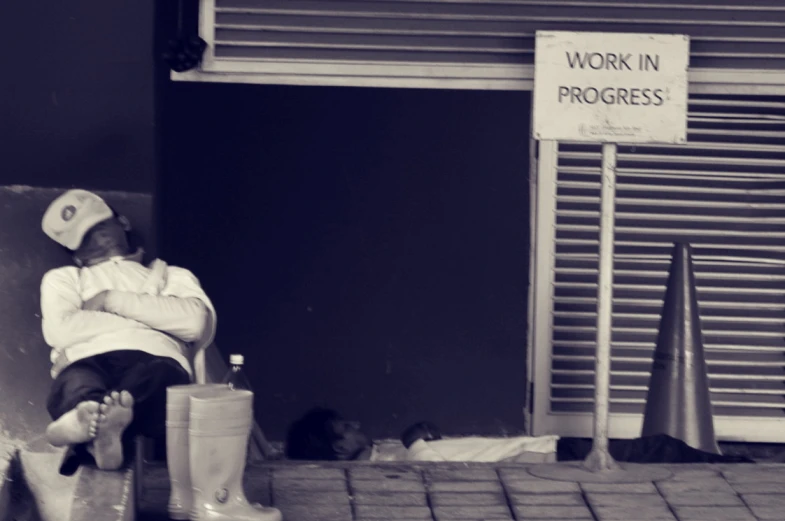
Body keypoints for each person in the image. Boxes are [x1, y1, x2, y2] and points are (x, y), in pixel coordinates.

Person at [40, 189, 216, 475]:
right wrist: (154, 320)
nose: (94, 236)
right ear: (74, 253)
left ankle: (93, 430)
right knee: (76, 381)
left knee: (160, 378)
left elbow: (195, 322)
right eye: (82, 236)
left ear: (123, 222)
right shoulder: (64, 279)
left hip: (154, 360)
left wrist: (109, 300)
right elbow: (61, 330)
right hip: (89, 358)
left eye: (99, 224)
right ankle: (91, 420)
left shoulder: (172, 275)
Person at [285, 407, 754, 464]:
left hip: (547, 449)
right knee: (660, 449)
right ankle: (742, 471)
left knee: (659, 451)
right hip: (550, 454)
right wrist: (417, 436)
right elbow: (424, 453)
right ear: (338, 448)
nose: (355, 424)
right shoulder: (404, 460)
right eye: (344, 427)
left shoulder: (392, 455)